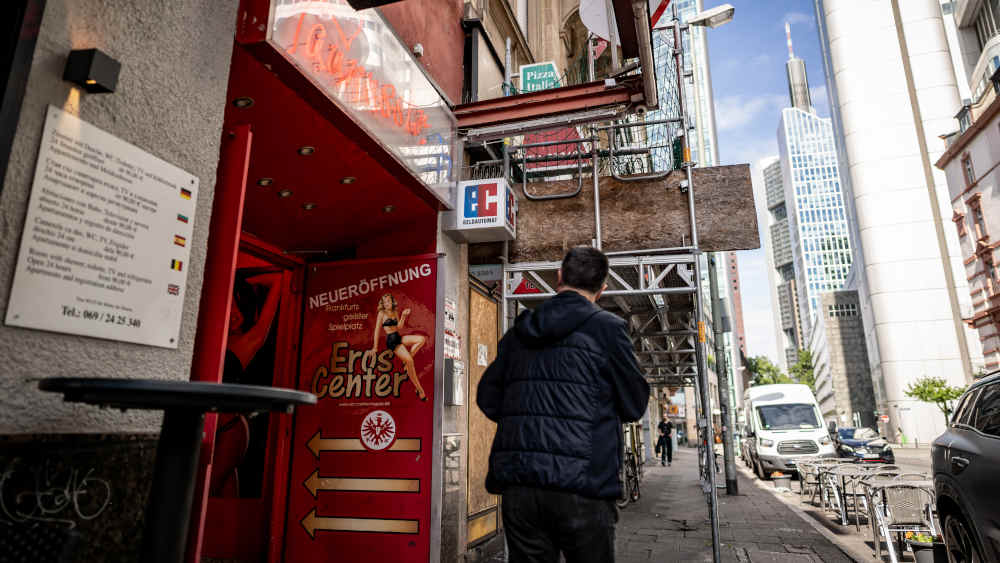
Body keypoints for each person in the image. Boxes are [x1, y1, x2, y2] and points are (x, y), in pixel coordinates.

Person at [477, 246, 650, 563]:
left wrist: (527, 420)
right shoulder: (608, 329)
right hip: (583, 486)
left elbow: (487, 398)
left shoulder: (519, 332)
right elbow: (634, 404)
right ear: (602, 289)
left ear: (559, 277)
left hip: (521, 483)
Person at [370, 293, 427, 400]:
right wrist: (375, 347)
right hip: (392, 341)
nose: (387, 303)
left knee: (421, 339)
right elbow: (377, 331)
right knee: (410, 361)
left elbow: (399, 327)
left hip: (398, 337)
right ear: (383, 304)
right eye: (385, 302)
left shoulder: (395, 312)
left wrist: (403, 316)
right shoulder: (381, 313)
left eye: (388, 301)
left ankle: (406, 362)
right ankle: (419, 389)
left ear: (392, 302)